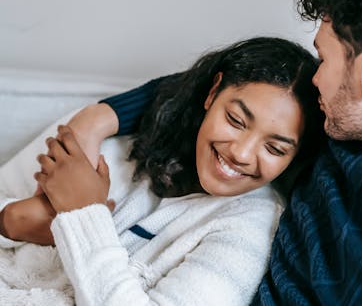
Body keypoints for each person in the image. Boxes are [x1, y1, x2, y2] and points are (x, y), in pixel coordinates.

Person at [38, 0, 362, 305]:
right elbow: (213, 92)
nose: (315, 78)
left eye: (324, 58)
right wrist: (96, 121)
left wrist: (82, 212)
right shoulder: (340, 140)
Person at [0, 37, 325, 305]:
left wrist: (84, 214)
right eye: (236, 121)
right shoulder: (104, 144)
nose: (241, 153)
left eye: (275, 148)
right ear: (213, 93)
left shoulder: (249, 228)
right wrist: (12, 220)